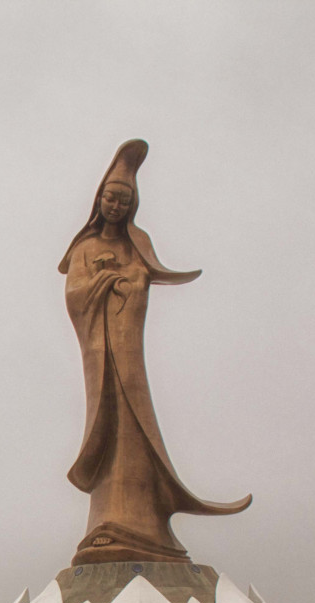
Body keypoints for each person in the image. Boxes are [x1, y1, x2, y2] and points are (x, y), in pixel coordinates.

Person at [59, 140, 250, 565]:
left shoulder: (137, 241)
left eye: (123, 200)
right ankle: (108, 521)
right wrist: (104, 280)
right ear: (98, 201)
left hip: (126, 351)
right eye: (109, 198)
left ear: (132, 205)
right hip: (103, 352)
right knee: (110, 423)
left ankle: (144, 525)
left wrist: (125, 280)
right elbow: (75, 296)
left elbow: (142, 279)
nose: (114, 206)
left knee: (135, 423)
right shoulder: (83, 249)